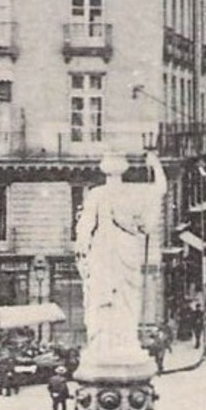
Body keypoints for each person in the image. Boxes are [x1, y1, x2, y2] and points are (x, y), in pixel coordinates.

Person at [74, 151, 166, 368]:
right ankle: (126, 341)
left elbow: (85, 227)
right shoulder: (133, 194)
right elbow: (159, 191)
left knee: (100, 296)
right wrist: (155, 165)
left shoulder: (97, 194)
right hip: (127, 251)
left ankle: (102, 342)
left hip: (103, 251)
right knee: (127, 298)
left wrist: (82, 252)